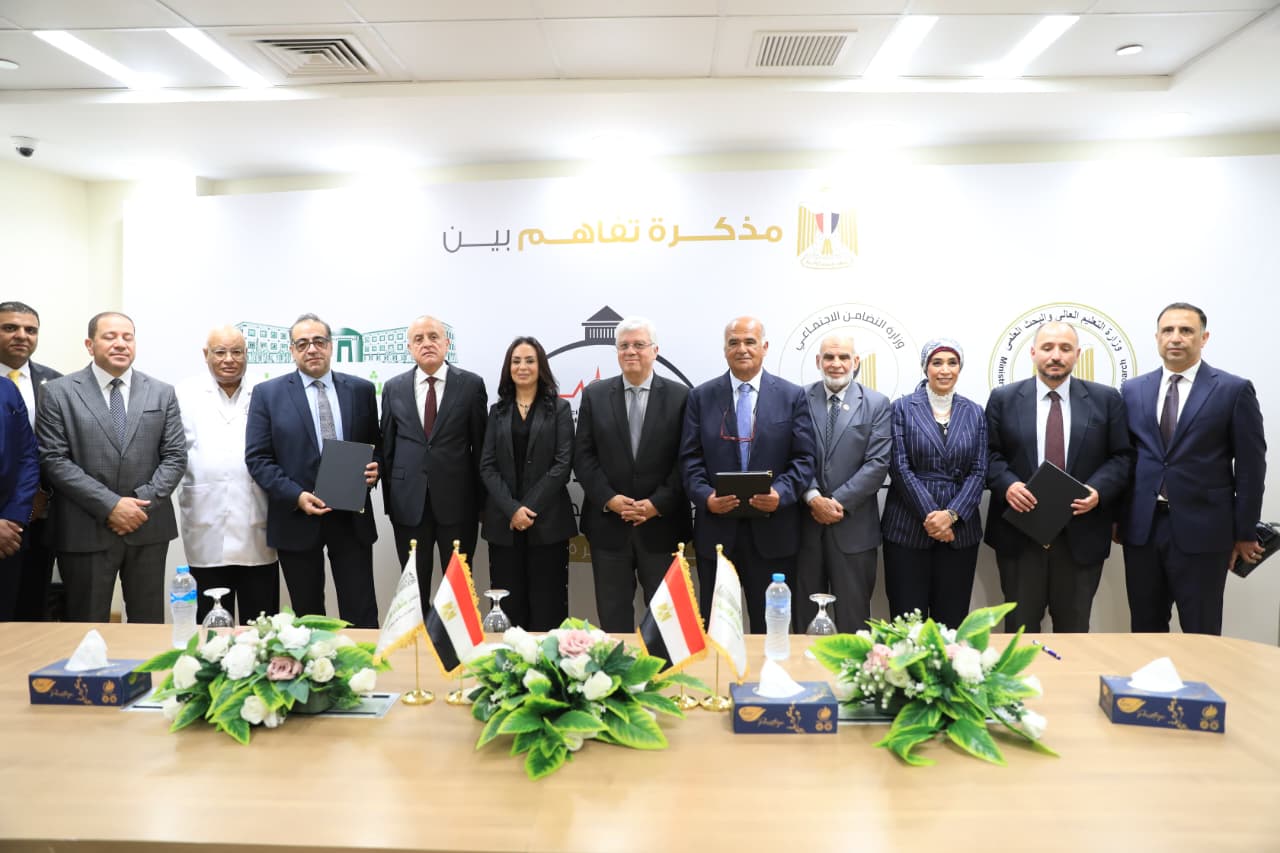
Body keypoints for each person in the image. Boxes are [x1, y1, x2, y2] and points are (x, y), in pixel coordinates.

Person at [1120, 302, 1266, 635]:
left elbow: (1251, 467)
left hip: (1205, 530)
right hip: (1143, 529)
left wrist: (1245, 532)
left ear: (1204, 338)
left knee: (1202, 631)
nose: (1176, 338)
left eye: (1186, 330)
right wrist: (1117, 518)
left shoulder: (1233, 390)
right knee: (1144, 628)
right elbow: (1125, 459)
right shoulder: (1133, 390)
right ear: (1157, 337)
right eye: (1168, 330)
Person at [36, 312, 186, 623]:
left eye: (127, 337)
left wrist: (139, 504)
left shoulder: (161, 391)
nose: (120, 343)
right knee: (86, 625)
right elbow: (54, 459)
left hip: (146, 526)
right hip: (84, 528)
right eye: (110, 337)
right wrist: (112, 506)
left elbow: (175, 456)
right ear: (90, 345)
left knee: (147, 625)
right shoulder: (58, 392)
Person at [985, 321, 1132, 633]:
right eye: (1048, 347)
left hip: (1081, 535)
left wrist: (1098, 490)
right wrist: (1008, 485)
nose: (1056, 355)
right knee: (1020, 632)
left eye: (1065, 348)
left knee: (1074, 631)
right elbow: (988, 454)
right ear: (1033, 352)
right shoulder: (1003, 398)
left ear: (1077, 354)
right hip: (1021, 535)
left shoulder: (1106, 399)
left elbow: (1122, 456)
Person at [245, 314, 381, 627]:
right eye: (303, 343)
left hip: (351, 519)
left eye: (319, 341)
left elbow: (377, 445)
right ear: (292, 350)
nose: (312, 349)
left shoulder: (360, 390)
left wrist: (377, 469)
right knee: (308, 618)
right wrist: (296, 496)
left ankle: (363, 660)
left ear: (331, 346)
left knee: (361, 611)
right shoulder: (268, 394)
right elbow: (258, 459)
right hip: (297, 517)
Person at [680, 316, 815, 631]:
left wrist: (781, 493)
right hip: (717, 534)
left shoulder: (792, 396)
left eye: (750, 342)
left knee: (771, 630)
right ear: (725, 350)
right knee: (717, 630)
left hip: (774, 534)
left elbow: (804, 458)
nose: (742, 349)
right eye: (734, 342)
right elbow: (689, 459)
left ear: (764, 347)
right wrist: (705, 497)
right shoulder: (701, 397)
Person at [574, 316, 691, 632]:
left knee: (666, 624)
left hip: (663, 526)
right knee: (613, 620)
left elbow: (687, 460)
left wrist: (657, 504)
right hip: (609, 528)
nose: (631, 351)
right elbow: (583, 456)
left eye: (639, 344)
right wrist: (609, 499)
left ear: (655, 350)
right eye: (624, 345)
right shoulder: (595, 395)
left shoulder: (681, 397)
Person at [380, 316, 487, 605]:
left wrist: (481, 505)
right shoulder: (393, 388)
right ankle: (419, 635)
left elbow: (481, 449)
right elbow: (388, 448)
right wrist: (391, 502)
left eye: (433, 336)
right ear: (409, 348)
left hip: (458, 504)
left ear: (446, 343)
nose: (426, 343)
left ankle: (455, 637)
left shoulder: (471, 385)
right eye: (418, 339)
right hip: (408, 504)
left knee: (458, 590)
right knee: (413, 590)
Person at [880, 339, 987, 628]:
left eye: (952, 363)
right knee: (907, 624)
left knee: (951, 624)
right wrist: (933, 517)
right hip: (907, 528)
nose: (944, 370)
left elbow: (979, 471)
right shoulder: (902, 408)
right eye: (937, 362)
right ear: (925, 367)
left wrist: (951, 516)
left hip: (959, 532)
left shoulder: (975, 411)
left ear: (960, 368)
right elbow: (899, 467)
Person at [175, 326, 278, 624]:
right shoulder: (184, 393)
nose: (229, 359)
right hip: (205, 520)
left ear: (247, 354)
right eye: (220, 352)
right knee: (210, 625)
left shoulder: (265, 392)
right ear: (205, 354)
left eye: (237, 352)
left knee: (260, 623)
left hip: (256, 522)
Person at [795, 333, 891, 633]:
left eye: (843, 357)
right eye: (829, 357)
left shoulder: (876, 403)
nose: (836, 364)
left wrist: (835, 503)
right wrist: (813, 497)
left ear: (856, 361)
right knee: (805, 621)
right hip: (806, 528)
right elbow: (791, 454)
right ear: (818, 361)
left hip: (854, 530)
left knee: (854, 622)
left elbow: (877, 464)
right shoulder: (798, 399)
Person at [479, 337, 576, 631]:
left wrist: (528, 508)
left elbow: (562, 465)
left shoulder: (560, 409)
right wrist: (512, 510)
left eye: (530, 361)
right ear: (508, 368)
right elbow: (487, 465)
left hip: (548, 523)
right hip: (504, 524)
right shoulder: (497, 411)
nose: (523, 367)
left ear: (540, 366)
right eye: (516, 361)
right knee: (509, 609)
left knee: (548, 605)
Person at [0, 300, 62, 619]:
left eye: (30, 330)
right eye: (10, 328)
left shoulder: (57, 383)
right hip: (5, 512)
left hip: (42, 512)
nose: (22, 335)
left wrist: (42, 495)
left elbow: (59, 449)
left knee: (33, 604)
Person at [0, 377, 39, 621]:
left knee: (7, 627)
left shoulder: (7, 389)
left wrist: (13, 517)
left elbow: (28, 457)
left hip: (8, 536)